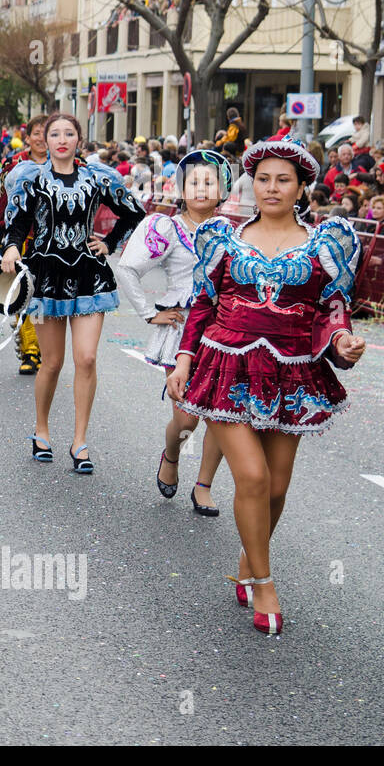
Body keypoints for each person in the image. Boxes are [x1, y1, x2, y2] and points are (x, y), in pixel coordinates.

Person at [167, 138, 366, 636]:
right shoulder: (223, 237)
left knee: (276, 487)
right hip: (225, 366)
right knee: (252, 477)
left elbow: (331, 310)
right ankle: (265, 580)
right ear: (250, 184)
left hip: (292, 371)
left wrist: (341, 339)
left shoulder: (326, 245)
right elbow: (201, 303)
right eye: (263, 179)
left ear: (301, 187)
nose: (271, 188)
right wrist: (183, 360)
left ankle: (247, 557)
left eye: (283, 180)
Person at [1, 112, 147, 473]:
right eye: (55, 134)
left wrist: (108, 243)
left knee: (87, 359)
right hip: (47, 276)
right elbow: (19, 222)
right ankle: (41, 429)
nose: (62, 139)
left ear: (79, 139)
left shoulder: (98, 178)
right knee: (52, 362)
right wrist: (12, 247)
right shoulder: (31, 178)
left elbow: (133, 213)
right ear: (45, 140)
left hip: (89, 276)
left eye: (69, 133)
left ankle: (80, 441)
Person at [114, 150, 228, 515]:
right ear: (181, 187)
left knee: (222, 417)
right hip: (180, 333)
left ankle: (204, 485)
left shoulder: (235, 233)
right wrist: (150, 314)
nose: (201, 188)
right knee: (187, 418)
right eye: (194, 181)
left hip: (224, 332)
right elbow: (127, 269)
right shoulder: (165, 227)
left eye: (209, 182)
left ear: (223, 189)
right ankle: (173, 453)